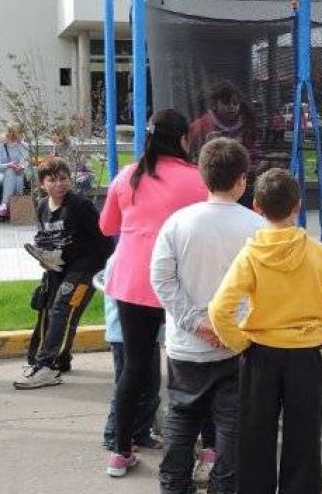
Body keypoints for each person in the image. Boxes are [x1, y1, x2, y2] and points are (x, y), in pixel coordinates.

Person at [208, 168, 322, 494]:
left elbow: (218, 310)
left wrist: (241, 343)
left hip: (259, 354)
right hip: (305, 356)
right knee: (304, 436)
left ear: (256, 206)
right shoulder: (318, 253)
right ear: (297, 206)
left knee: (255, 436)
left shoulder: (251, 255)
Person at [151, 137, 267, 494]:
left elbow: (161, 279)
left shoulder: (177, 223)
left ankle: (174, 486)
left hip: (186, 346)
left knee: (182, 419)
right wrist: (227, 327)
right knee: (231, 427)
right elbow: (263, 288)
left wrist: (194, 322)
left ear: (203, 176)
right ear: (242, 179)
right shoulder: (257, 228)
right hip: (236, 346)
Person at [100, 109, 208, 477]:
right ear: (182, 139)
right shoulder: (196, 180)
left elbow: (107, 226)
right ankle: (207, 447)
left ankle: (120, 451)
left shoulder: (127, 176)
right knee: (195, 364)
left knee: (134, 365)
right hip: (180, 283)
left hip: (131, 282)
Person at [14, 157, 113, 389]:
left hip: (85, 268)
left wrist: (104, 268)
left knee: (63, 309)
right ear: (42, 184)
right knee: (50, 310)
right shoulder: (41, 206)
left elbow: (104, 241)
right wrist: (44, 256)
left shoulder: (80, 206)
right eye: (53, 180)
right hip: (57, 268)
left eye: (63, 178)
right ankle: (61, 359)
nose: (59, 183)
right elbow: (43, 238)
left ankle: (46, 366)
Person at [101, 256, 164, 453]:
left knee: (151, 389)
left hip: (150, 335)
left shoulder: (150, 255)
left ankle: (140, 433)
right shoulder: (121, 259)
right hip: (124, 336)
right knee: (127, 387)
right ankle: (113, 436)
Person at [188, 81, 264, 199]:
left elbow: (254, 153)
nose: (231, 107)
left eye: (235, 103)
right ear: (215, 104)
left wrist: (254, 169)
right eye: (226, 103)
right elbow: (191, 151)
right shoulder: (202, 125)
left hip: (241, 183)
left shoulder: (247, 124)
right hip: (210, 183)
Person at [0, 121, 31, 220]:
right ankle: (16, 209)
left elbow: (25, 162)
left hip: (19, 172)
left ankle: (4, 205)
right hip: (1, 174)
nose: (22, 136)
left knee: (17, 175)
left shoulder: (24, 145)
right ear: (13, 134)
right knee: (11, 172)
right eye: (20, 133)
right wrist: (9, 165)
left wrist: (21, 166)